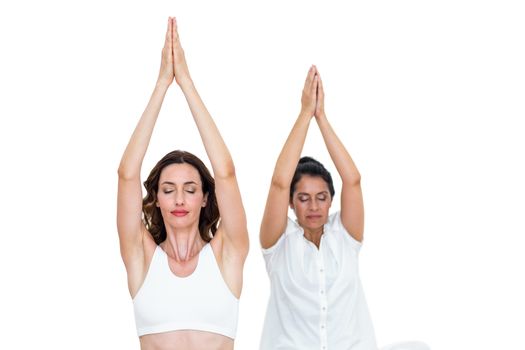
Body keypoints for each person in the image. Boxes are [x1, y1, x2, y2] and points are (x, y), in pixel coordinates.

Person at [259, 66, 429, 350]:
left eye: (321, 197)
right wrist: (305, 114)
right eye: (303, 198)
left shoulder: (344, 235)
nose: (313, 206)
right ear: (290, 203)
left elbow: (353, 179)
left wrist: (322, 118)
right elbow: (279, 182)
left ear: (331, 200)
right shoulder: (277, 244)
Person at [117, 17, 248, 350]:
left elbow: (226, 173)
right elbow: (127, 175)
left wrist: (186, 82)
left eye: (190, 190)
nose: (179, 199)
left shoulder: (227, 254)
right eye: (168, 189)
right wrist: (162, 83)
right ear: (156, 199)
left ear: (205, 198)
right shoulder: (141, 257)